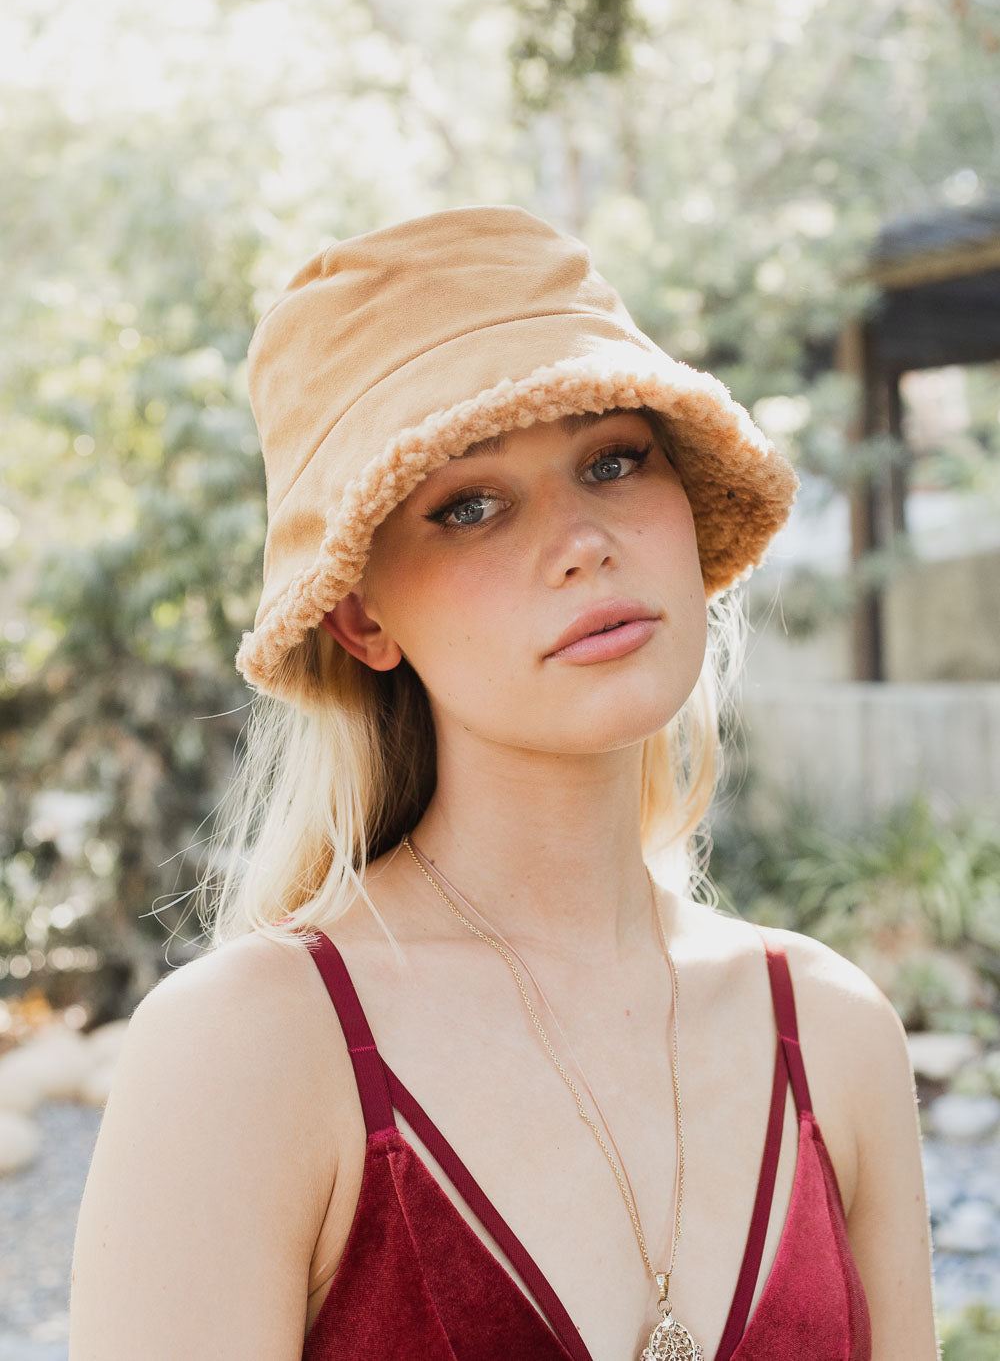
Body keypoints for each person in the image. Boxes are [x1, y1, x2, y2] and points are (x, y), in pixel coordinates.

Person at [70, 205, 938, 1361]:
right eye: (468, 506)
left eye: (614, 459)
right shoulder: (250, 1056)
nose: (581, 540)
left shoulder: (831, 1034)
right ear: (363, 615)